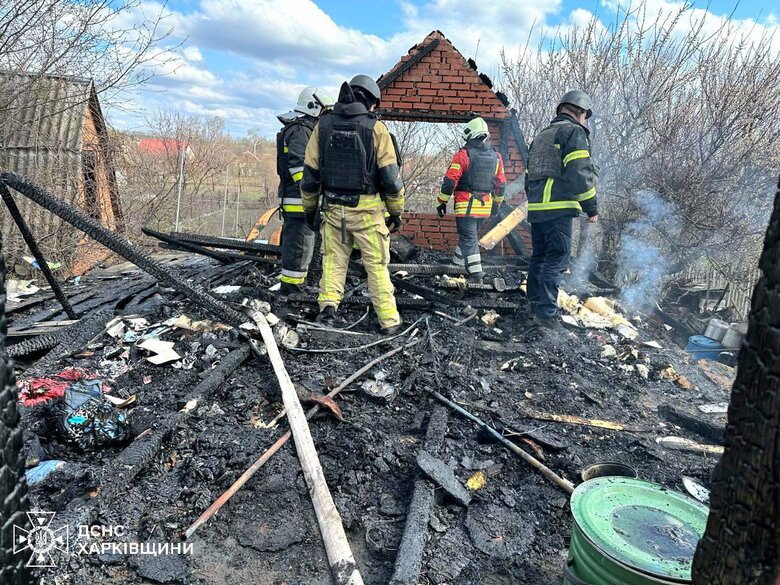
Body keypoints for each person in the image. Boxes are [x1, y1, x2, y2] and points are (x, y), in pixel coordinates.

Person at [300, 75, 405, 334]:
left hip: (333, 210)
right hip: (368, 212)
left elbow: (310, 176)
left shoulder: (322, 126)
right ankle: (389, 321)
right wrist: (396, 212)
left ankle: (327, 312)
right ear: (372, 103)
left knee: (334, 262)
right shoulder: (376, 129)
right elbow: (391, 180)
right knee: (377, 267)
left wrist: (310, 210)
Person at [525, 90, 599, 328]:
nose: (585, 120)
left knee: (539, 257)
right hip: (558, 208)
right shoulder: (574, 132)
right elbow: (579, 172)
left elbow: (529, 177)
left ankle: (534, 305)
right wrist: (591, 207)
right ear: (580, 111)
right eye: (585, 116)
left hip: (537, 209)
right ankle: (546, 315)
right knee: (557, 259)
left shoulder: (542, 136)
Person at [275, 86, 334, 294]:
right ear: (314, 107)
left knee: (304, 245)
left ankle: (297, 286)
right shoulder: (301, 130)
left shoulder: (305, 129)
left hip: (300, 200)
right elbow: (299, 166)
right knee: (299, 246)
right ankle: (291, 289)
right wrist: (313, 192)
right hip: (298, 201)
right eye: (325, 112)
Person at [436, 117, 506, 283]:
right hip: (485, 207)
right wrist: (496, 205)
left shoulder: (463, 155)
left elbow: (449, 182)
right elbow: (501, 184)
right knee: (468, 237)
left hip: (466, 206)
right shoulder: (497, 157)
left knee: (469, 238)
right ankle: (457, 265)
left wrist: (441, 201)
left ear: (469, 135)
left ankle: (476, 274)